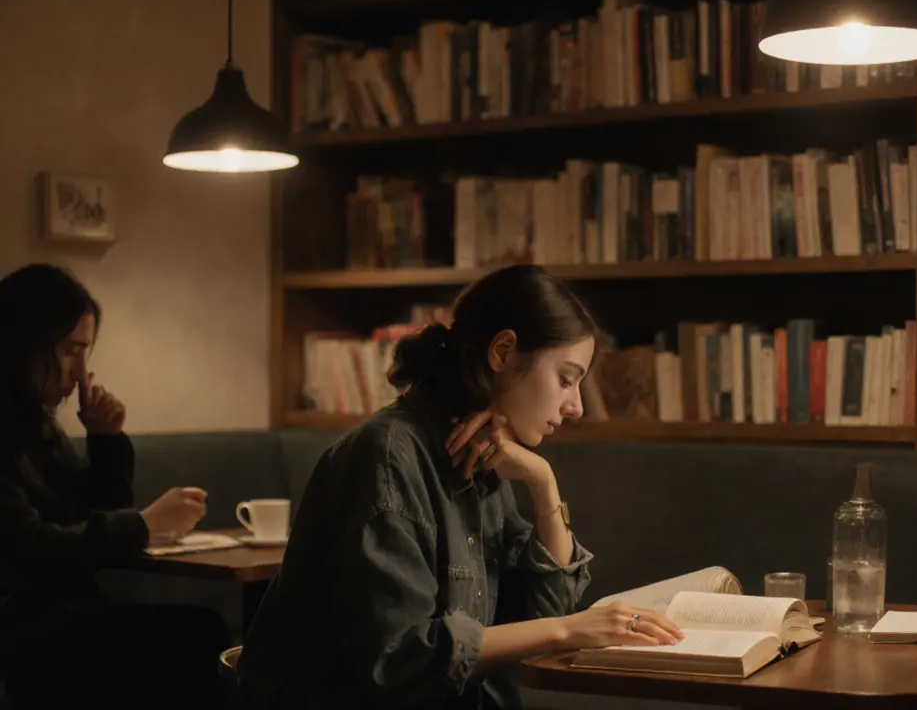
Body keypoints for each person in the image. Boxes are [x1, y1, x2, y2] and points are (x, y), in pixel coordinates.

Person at [236, 264, 684, 709]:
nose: (576, 407)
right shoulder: (388, 455)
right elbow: (400, 659)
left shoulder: (480, 452)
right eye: (566, 379)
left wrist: (543, 484)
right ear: (503, 352)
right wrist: (573, 629)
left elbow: (538, 615)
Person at [0, 263, 231, 709]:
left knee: (205, 633)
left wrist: (106, 442)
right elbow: (28, 545)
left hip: (63, 620)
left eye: (86, 351)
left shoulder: (34, 423)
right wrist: (143, 526)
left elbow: (88, 516)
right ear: (22, 344)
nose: (82, 372)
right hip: (23, 632)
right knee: (200, 637)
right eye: (70, 350)